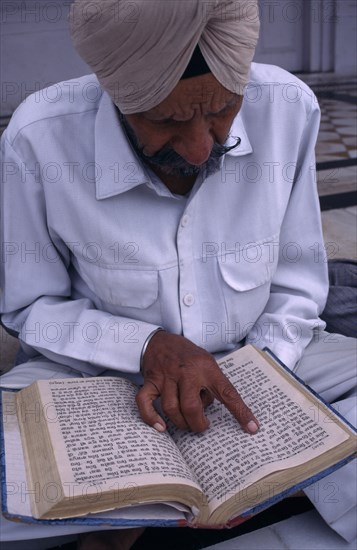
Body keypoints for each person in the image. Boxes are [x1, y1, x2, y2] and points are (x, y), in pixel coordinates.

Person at [0, 1, 356, 549]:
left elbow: (296, 283)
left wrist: (261, 374)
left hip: (266, 358)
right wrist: (147, 346)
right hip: (96, 376)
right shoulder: (38, 139)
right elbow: (29, 307)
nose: (199, 146)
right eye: (166, 119)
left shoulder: (289, 107)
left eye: (222, 112)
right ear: (117, 96)